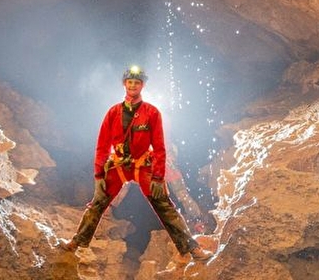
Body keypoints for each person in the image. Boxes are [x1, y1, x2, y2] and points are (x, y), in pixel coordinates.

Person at [59, 65, 212, 261]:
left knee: (165, 206)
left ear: (142, 85)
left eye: (137, 82)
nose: (133, 85)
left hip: (143, 165)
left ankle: (193, 249)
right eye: (130, 82)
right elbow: (102, 146)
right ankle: (76, 242)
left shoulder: (152, 112)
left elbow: (159, 147)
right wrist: (98, 176)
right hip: (119, 165)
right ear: (124, 84)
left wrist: (157, 177)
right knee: (97, 203)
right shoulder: (113, 112)